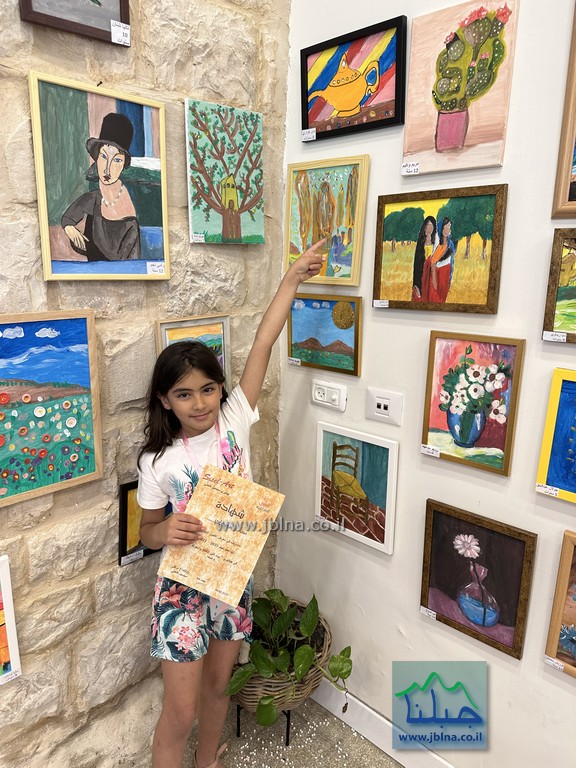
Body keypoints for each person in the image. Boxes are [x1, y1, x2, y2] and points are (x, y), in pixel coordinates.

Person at [136, 239, 326, 768]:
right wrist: (164, 532)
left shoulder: (236, 417)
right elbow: (146, 530)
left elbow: (264, 340)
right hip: (180, 591)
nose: (199, 403)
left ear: (221, 389)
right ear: (165, 400)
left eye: (208, 389)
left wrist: (290, 280)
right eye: (184, 394)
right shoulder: (157, 460)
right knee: (180, 711)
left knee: (219, 686)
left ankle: (207, 761)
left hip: (232, 579)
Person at [61, 112, 141, 261]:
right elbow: (67, 218)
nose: (107, 169)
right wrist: (70, 229)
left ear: (124, 165)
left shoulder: (132, 208)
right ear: (97, 158)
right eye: (104, 156)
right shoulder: (93, 199)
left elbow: (133, 263)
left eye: (117, 160)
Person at [421, 216, 455, 303]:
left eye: (449, 226)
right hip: (438, 275)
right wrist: (434, 284)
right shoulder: (438, 245)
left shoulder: (450, 245)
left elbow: (452, 263)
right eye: (447, 226)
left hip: (446, 274)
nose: (449, 229)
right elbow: (433, 264)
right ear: (442, 229)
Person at [412, 215, 436, 301]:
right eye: (428, 225)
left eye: (432, 225)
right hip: (422, 275)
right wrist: (416, 284)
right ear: (425, 227)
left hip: (433, 275)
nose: (430, 227)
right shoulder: (421, 243)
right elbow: (417, 265)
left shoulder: (436, 242)